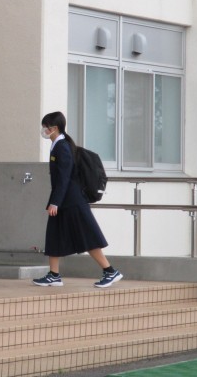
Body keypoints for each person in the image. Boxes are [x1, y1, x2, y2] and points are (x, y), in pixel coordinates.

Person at [33, 111, 123, 289]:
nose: (43, 130)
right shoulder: (58, 145)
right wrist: (55, 201)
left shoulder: (62, 147)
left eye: (46, 127)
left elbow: (64, 178)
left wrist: (55, 202)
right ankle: (54, 275)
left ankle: (110, 271)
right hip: (64, 201)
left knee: (87, 236)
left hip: (72, 201)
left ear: (55, 128)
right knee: (54, 235)